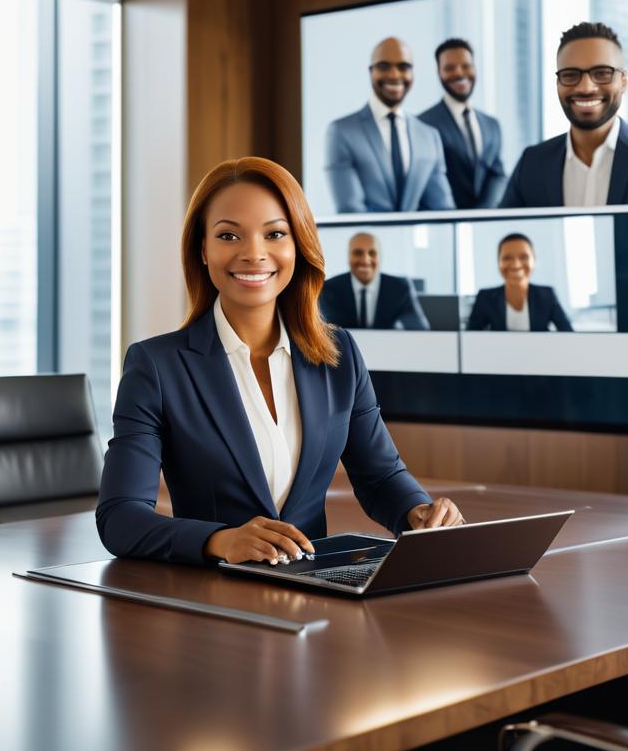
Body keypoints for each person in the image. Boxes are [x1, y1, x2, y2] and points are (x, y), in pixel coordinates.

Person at [96, 157, 462, 566]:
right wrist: (221, 541)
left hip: (314, 595)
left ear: (298, 244)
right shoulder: (157, 367)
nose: (254, 253)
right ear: (202, 249)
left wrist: (421, 513)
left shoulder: (338, 355)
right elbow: (120, 517)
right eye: (229, 236)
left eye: (274, 233)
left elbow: (380, 476)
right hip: (208, 601)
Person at [500, 22, 628, 208]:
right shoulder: (532, 164)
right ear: (558, 84)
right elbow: (498, 240)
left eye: (602, 73)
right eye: (570, 75)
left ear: (623, 82)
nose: (586, 87)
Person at [325, 37, 455, 213]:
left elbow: (442, 210)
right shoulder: (342, 132)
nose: (394, 75)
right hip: (366, 240)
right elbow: (351, 210)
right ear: (371, 72)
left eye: (403, 67)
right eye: (384, 66)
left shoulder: (429, 136)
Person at [418, 39, 506, 208]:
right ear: (439, 72)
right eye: (449, 68)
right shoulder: (423, 124)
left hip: (485, 222)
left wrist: (482, 215)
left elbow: (497, 175)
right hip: (443, 222)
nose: (459, 73)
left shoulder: (491, 125)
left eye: (466, 66)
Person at [319, 232, 430, 330]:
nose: (365, 260)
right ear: (348, 256)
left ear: (380, 257)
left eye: (372, 253)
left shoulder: (400, 288)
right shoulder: (328, 289)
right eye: (358, 253)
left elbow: (420, 330)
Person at [466, 234, 573, 332]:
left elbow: (569, 335)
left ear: (534, 260)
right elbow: (469, 338)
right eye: (507, 258)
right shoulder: (485, 297)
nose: (516, 265)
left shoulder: (547, 295)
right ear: (498, 262)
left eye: (524, 257)